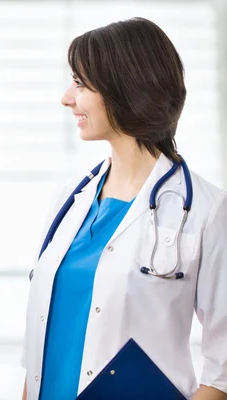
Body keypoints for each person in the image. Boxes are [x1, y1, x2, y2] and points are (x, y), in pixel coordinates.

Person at [21, 18, 227, 400]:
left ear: (124, 88)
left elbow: (224, 365)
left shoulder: (206, 210)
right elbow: (41, 351)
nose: (67, 97)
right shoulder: (71, 197)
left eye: (80, 84)